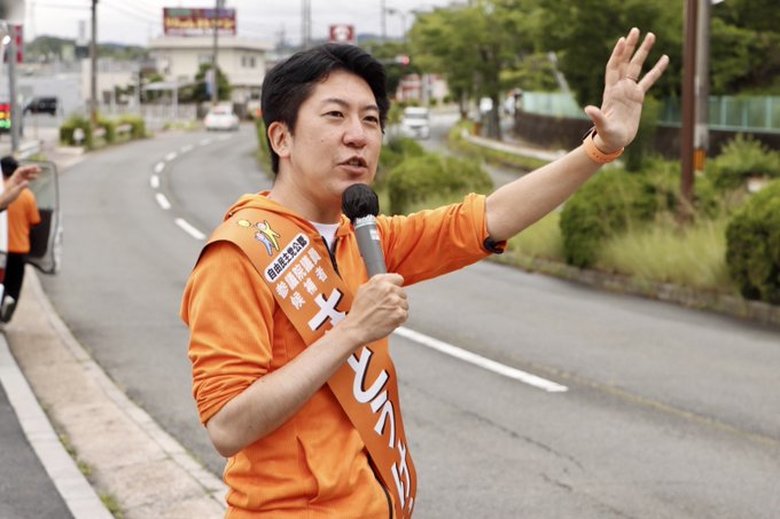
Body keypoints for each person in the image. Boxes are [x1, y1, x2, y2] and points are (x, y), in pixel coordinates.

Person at [181, 28, 668, 518]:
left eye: (371, 119)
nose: (358, 135)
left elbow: (487, 218)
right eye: (335, 115)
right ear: (281, 137)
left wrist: (599, 148)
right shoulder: (238, 254)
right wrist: (352, 331)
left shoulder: (363, 237)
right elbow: (227, 426)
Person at [1, 156, 41, 323]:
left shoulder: (3, 191)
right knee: (13, 287)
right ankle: (5, 317)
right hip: (19, 248)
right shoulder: (26, 195)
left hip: (2, 249)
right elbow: (35, 221)